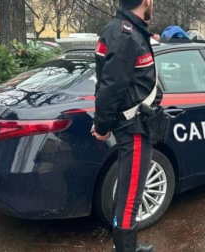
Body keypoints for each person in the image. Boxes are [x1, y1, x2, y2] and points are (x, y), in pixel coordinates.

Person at [91, 0, 162, 251]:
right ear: (146, 1)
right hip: (134, 127)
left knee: (128, 187)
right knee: (131, 193)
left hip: (136, 123)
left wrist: (103, 122)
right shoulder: (126, 35)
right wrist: (102, 125)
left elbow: (107, 81)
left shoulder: (124, 30)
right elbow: (111, 87)